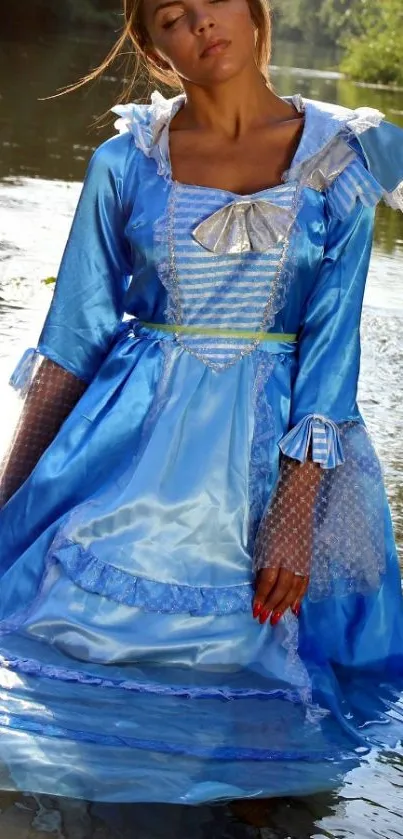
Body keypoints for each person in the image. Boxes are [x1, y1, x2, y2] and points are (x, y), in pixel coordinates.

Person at [0, 0, 402, 809]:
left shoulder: (343, 155)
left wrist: (294, 506)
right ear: (153, 48)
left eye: (212, 1)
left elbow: (332, 351)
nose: (200, 25)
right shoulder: (126, 160)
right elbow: (73, 338)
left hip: (275, 461)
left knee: (271, 700)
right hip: (126, 455)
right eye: (171, 17)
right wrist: (7, 495)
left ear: (254, 12)